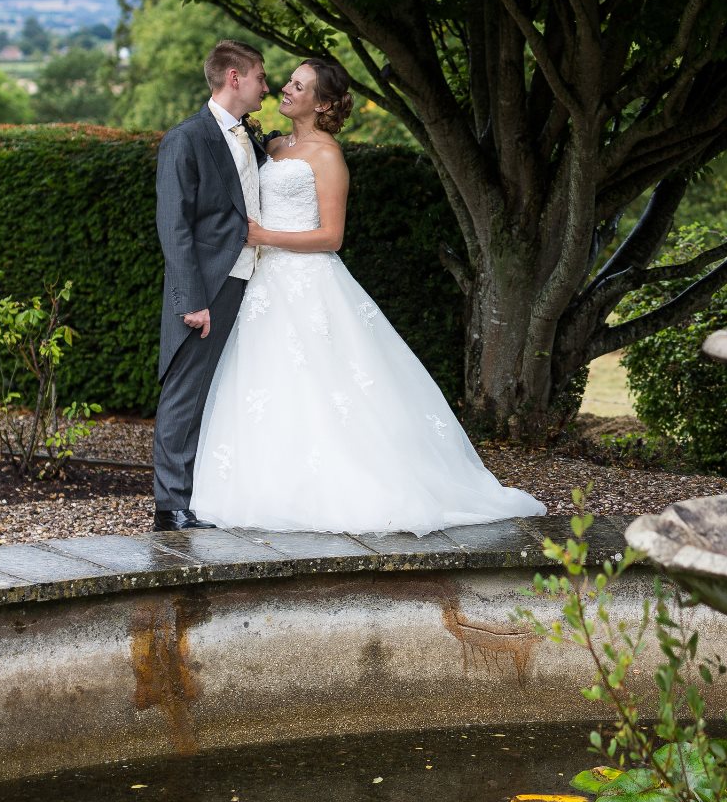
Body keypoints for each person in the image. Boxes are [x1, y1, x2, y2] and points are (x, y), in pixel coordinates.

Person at [190, 58, 545, 534]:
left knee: (326, 386)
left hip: (308, 280)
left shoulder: (328, 157)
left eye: (299, 85)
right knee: (267, 384)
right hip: (266, 284)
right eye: (290, 81)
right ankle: (272, 485)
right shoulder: (272, 146)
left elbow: (332, 237)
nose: (286, 88)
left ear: (323, 103)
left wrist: (264, 235)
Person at [152, 40, 271, 531]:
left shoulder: (250, 136)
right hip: (209, 285)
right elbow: (173, 225)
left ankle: (212, 492)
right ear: (234, 77)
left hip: (255, 278)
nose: (268, 85)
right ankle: (171, 505)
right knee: (187, 389)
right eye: (261, 76)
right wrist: (192, 301)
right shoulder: (186, 138)